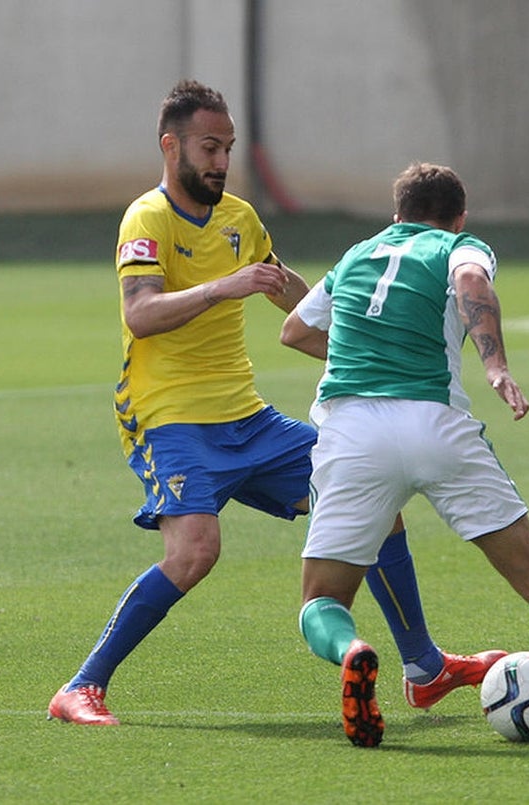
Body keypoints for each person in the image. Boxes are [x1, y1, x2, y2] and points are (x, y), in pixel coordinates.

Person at [47, 83, 502, 727]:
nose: (220, 161)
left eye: (227, 148)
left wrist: (363, 338)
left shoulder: (239, 217)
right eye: (209, 147)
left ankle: (424, 671)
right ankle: (80, 688)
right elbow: (141, 315)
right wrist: (222, 286)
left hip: (248, 417)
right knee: (194, 553)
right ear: (169, 144)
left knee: (372, 500)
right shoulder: (145, 218)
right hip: (168, 416)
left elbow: (291, 292)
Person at [280, 162, 529, 748]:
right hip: (434, 425)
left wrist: (366, 353)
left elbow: (295, 331)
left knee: (321, 599)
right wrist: (495, 366)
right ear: (459, 216)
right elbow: (471, 282)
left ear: (395, 215)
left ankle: (353, 652)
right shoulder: (458, 245)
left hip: (351, 435)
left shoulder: (355, 255)